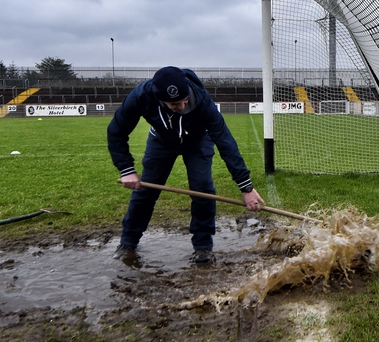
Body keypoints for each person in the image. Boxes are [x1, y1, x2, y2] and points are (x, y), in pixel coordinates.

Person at [107, 66, 266, 265]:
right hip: (161, 141)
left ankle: (203, 247)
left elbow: (225, 142)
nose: (182, 106)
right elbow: (116, 131)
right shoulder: (141, 96)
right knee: (146, 190)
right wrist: (126, 169)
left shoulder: (202, 100)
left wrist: (246, 187)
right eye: (175, 104)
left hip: (198, 140)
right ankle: (128, 242)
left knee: (202, 188)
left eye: (185, 100)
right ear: (159, 99)